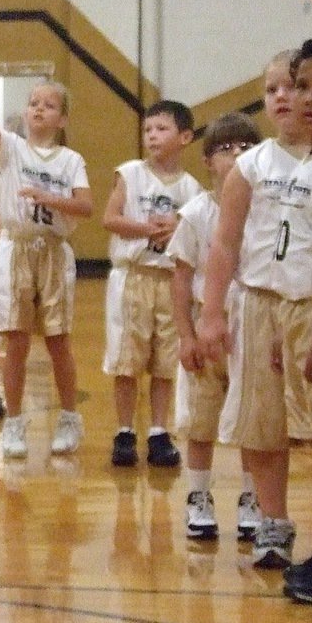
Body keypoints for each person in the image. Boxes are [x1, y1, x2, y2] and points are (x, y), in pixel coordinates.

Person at [199, 36, 312, 603]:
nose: (296, 98)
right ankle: (274, 522)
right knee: (258, 422)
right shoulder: (254, 164)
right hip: (260, 303)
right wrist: (211, 311)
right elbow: (224, 243)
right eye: (283, 87)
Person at [0, 67, 94, 458]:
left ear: (62, 118)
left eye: (49, 106)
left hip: (51, 250)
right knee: (14, 343)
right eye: (34, 103)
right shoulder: (12, 147)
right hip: (15, 248)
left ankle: (69, 417)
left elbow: (85, 206)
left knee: (58, 342)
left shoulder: (70, 160)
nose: (38, 109)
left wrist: (49, 198)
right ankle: (13, 423)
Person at [166, 112, 262, 540]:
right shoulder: (196, 213)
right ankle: (199, 495)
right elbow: (181, 280)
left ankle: (252, 497)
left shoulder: (266, 210)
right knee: (201, 420)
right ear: (207, 160)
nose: (237, 154)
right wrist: (185, 335)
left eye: (246, 147)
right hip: (207, 327)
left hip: (252, 322)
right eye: (226, 149)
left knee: (253, 420)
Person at [102, 100, 203, 467]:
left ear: (185, 137)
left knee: (165, 362)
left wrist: (178, 230)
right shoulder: (130, 173)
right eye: (148, 130)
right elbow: (110, 219)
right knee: (127, 359)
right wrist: (150, 229)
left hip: (171, 280)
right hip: (134, 277)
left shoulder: (192, 189)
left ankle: (159, 431)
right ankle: (124, 430)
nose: (153, 135)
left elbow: (195, 235)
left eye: (161, 129)